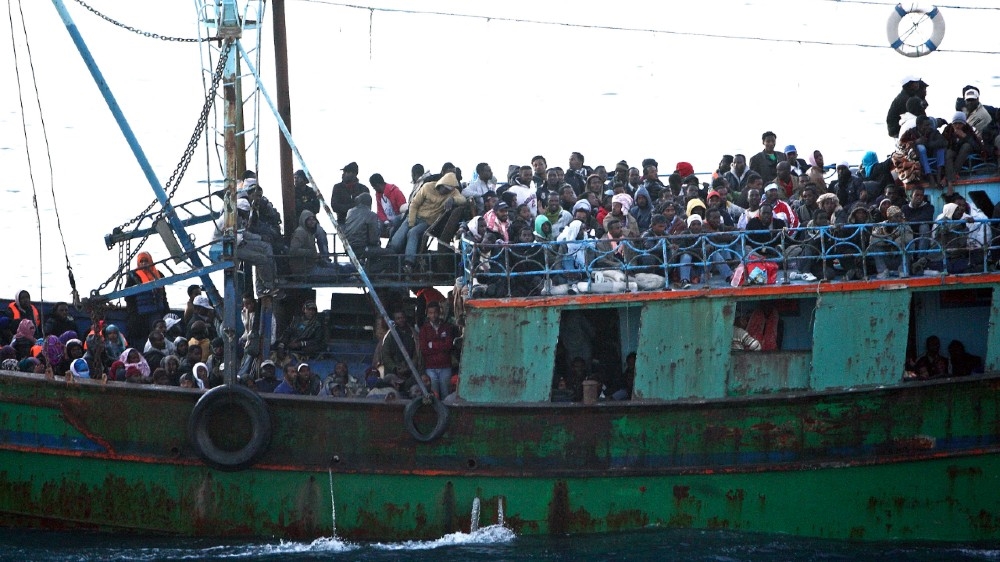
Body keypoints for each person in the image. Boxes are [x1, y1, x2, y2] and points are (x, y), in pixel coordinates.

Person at [389, 171, 466, 273]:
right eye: (445, 189)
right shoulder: (427, 187)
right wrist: (411, 223)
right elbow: (414, 205)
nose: (446, 191)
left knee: (413, 233)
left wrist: (452, 199)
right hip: (414, 216)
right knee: (396, 242)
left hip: (427, 222)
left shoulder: (452, 193)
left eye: (449, 190)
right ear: (441, 184)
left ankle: (409, 263)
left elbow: (463, 199)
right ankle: (391, 262)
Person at [123, 251, 170, 346]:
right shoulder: (133, 277)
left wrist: (167, 311)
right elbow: (129, 298)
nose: (144, 263)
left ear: (151, 261)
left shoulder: (159, 275)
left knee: (157, 334)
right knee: (142, 338)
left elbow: (163, 295)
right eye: (141, 261)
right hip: (140, 315)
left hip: (156, 313)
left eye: (146, 261)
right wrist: (133, 315)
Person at [419, 301, 456, 400]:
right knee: (433, 396)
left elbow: (448, 345)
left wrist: (432, 344)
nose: (433, 315)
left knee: (446, 396)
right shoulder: (424, 330)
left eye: (435, 312)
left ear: (439, 313)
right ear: (427, 314)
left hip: (445, 367)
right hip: (430, 368)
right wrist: (440, 346)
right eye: (430, 313)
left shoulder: (447, 327)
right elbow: (424, 349)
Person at [343, 192, 385, 262]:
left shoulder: (350, 212)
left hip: (348, 248)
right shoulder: (371, 215)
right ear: (370, 203)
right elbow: (373, 240)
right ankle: (373, 270)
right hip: (361, 249)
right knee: (390, 252)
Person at [369, 173, 406, 237]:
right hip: (386, 222)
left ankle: (391, 246)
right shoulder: (378, 195)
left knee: (392, 230)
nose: (374, 190)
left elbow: (404, 210)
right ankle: (376, 244)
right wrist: (386, 222)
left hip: (398, 221)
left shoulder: (395, 191)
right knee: (376, 225)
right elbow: (379, 211)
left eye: (374, 188)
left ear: (377, 185)